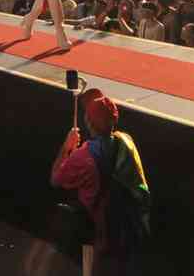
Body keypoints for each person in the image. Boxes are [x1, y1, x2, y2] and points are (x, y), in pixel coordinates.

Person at [51, 95, 150, 275]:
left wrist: (67, 146)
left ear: (88, 122)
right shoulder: (127, 142)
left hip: (100, 233)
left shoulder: (84, 156)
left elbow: (56, 179)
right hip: (130, 228)